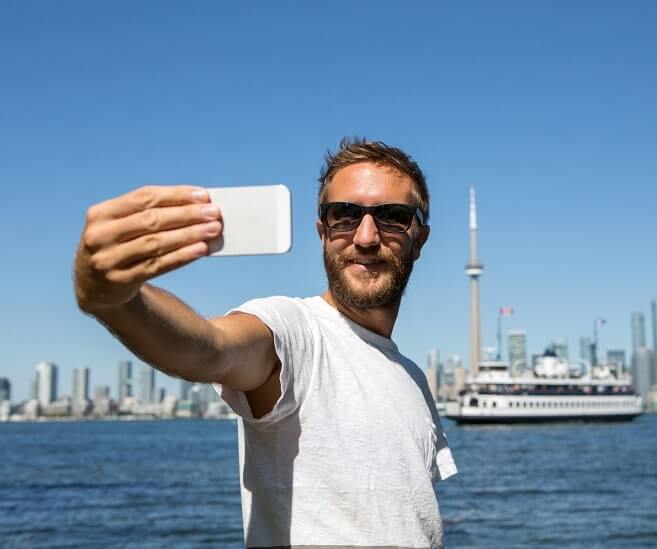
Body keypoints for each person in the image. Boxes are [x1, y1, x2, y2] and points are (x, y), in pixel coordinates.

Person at [73, 138, 457, 548]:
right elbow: (212, 347)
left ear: (421, 238)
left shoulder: (412, 376)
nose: (365, 236)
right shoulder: (297, 329)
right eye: (343, 215)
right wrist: (115, 300)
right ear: (322, 231)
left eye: (393, 217)